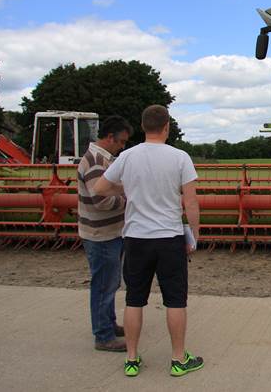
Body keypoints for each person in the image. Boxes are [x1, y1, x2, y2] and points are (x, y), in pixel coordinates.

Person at [95, 105, 203, 378]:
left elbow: (100, 188)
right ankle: (178, 359)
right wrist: (195, 235)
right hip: (169, 237)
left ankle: (131, 358)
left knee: (134, 299)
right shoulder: (180, 157)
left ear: (143, 127)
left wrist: (128, 188)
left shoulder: (128, 156)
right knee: (176, 300)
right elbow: (190, 202)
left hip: (136, 238)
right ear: (166, 126)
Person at [78, 115, 132, 352]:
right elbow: (100, 200)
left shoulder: (102, 158)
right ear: (110, 137)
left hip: (108, 232)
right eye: (120, 142)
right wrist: (128, 200)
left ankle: (108, 324)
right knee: (103, 284)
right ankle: (103, 335)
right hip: (100, 234)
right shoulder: (95, 161)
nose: (122, 146)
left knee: (110, 282)